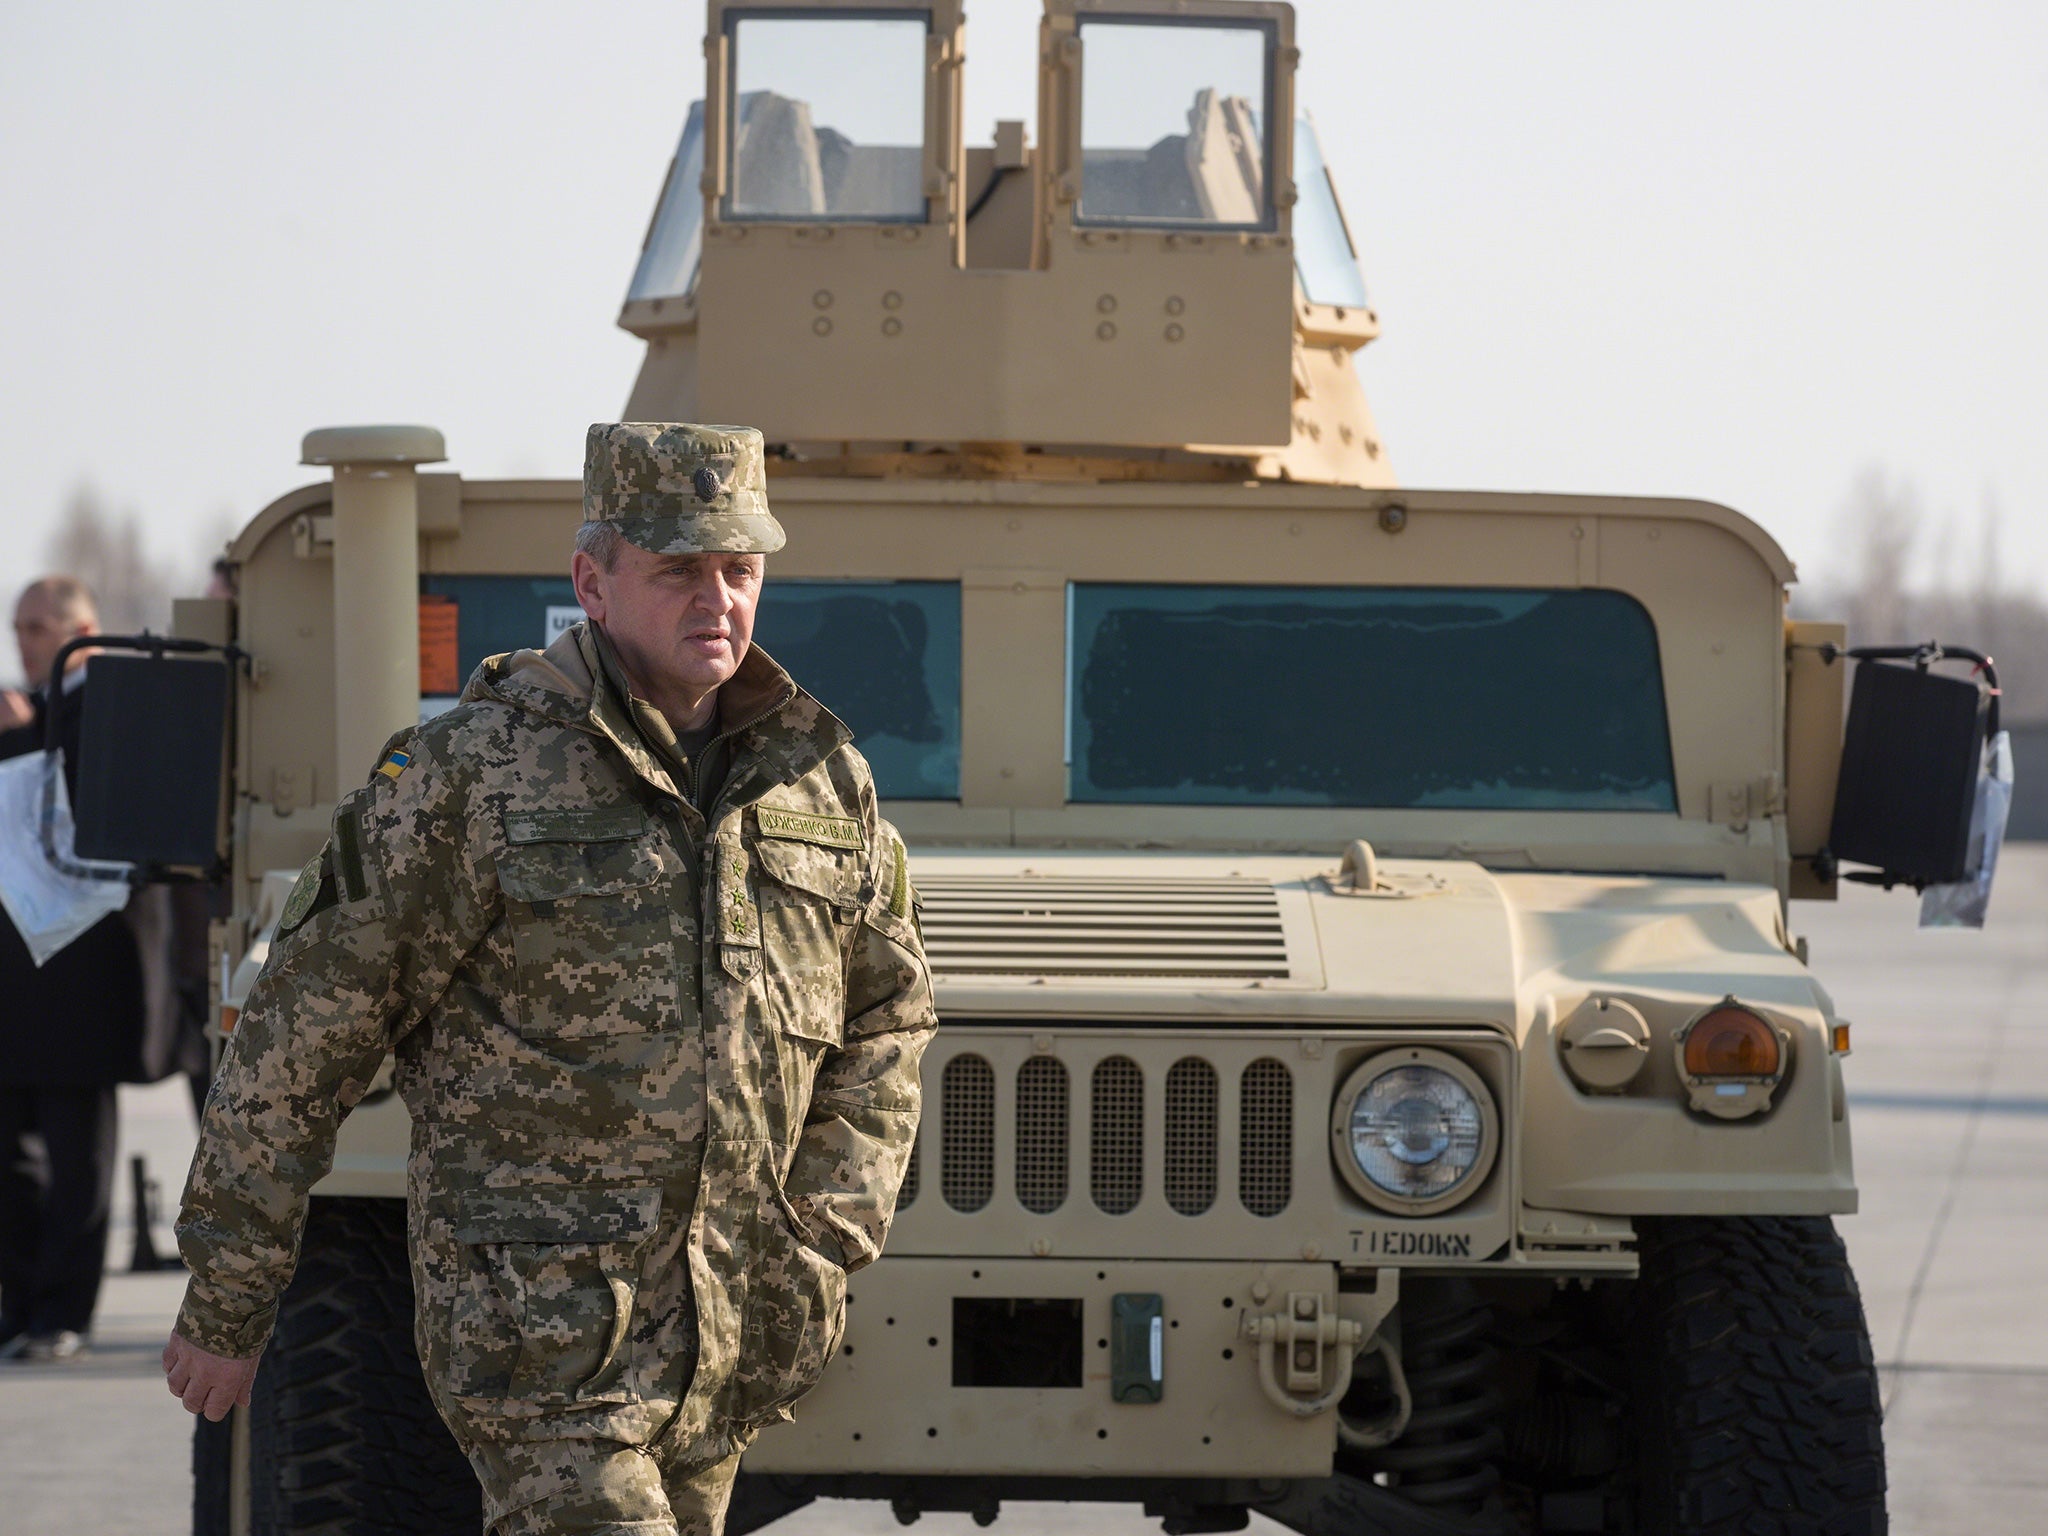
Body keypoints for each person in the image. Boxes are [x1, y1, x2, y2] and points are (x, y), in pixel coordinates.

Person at [163, 423, 936, 1536]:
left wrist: (825, 1225)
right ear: (595, 581)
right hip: (542, 1338)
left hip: (733, 1329)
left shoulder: (819, 780)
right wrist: (229, 1300)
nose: (717, 598)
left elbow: (888, 1014)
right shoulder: (470, 777)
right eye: (678, 569)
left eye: (740, 568)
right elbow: (302, 1036)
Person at [0, 576, 190, 1362]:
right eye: (19, 629)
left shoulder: (113, 697)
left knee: (79, 1149)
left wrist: (20, 733)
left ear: (84, 629)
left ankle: (61, 1311)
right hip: (22, 969)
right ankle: (21, 1306)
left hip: (83, 970)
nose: (26, 643)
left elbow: (93, 799)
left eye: (41, 628)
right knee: (13, 1150)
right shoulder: (39, 706)